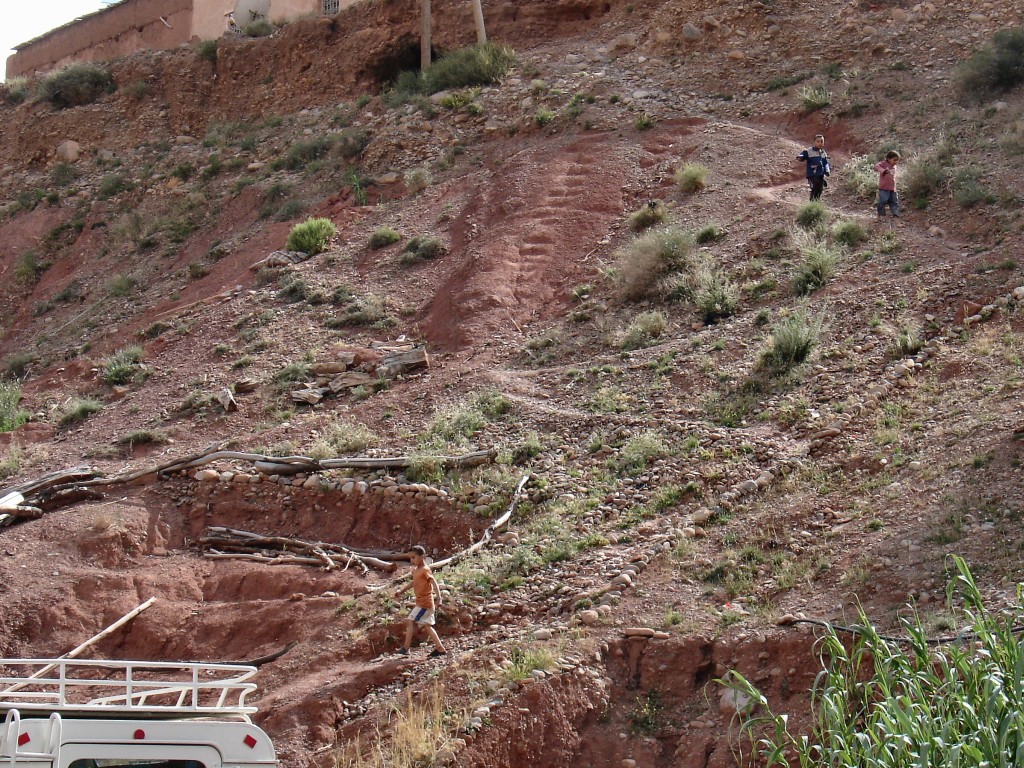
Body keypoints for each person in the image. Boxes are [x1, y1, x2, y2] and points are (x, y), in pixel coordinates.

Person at [395, 545, 446, 657]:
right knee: (427, 626)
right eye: (410, 558)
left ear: (422, 557)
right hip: (422, 603)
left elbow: (433, 582)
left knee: (410, 620)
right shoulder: (417, 570)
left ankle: (406, 648)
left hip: (425, 603)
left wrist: (439, 597)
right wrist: (401, 591)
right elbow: (414, 583)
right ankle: (440, 648)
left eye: (413, 557)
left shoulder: (425, 569)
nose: (411, 560)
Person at [797, 134, 831, 201]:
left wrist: (827, 170)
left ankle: (816, 202)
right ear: (814, 142)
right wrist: (800, 157)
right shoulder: (809, 151)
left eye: (821, 141)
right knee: (815, 186)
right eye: (818, 141)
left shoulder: (823, 153)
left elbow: (825, 163)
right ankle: (812, 202)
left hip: (820, 175)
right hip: (812, 174)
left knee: (820, 189)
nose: (820, 143)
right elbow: (803, 155)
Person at [875, 150, 901, 219]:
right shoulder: (883, 164)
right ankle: (880, 214)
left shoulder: (894, 166)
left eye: (897, 160)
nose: (896, 162)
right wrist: (884, 171)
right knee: (883, 200)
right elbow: (877, 166)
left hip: (892, 188)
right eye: (894, 160)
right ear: (889, 159)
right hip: (884, 188)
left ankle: (896, 215)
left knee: (894, 202)